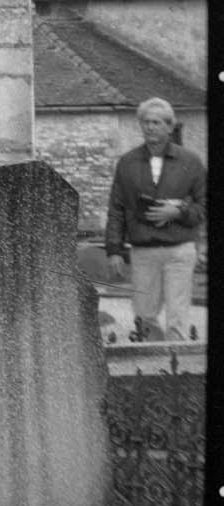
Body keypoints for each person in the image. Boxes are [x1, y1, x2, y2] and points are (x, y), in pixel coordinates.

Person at [104, 97, 206, 340]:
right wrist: (114, 249)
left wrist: (179, 212)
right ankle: (152, 368)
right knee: (144, 317)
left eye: (157, 122)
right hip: (143, 251)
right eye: (146, 122)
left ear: (170, 127)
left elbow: (205, 206)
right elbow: (116, 208)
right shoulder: (127, 163)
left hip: (179, 250)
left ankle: (177, 371)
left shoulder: (191, 162)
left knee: (177, 318)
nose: (150, 127)